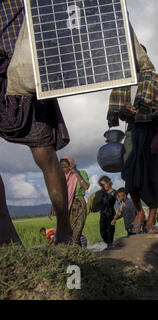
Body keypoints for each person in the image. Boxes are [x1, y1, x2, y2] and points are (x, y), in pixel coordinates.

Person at [0, 0, 72, 245]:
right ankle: (7, 237)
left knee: (44, 153)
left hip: (23, 68)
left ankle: (65, 231)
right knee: (45, 155)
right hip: (16, 66)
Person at [107, 48, 158, 234]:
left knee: (152, 175)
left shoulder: (155, 79)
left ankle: (151, 219)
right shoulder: (123, 83)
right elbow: (116, 110)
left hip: (152, 130)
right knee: (129, 172)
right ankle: (139, 211)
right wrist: (123, 111)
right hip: (133, 131)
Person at [48, 156, 89, 246]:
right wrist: (53, 207)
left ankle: (78, 248)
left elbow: (86, 187)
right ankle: (77, 250)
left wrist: (75, 173)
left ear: (72, 165)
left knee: (77, 230)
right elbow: (58, 193)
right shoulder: (62, 178)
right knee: (68, 231)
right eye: (61, 167)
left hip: (79, 205)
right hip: (66, 206)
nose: (64, 169)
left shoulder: (81, 173)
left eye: (66, 167)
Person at [98, 176, 117, 249]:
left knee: (110, 231)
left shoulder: (115, 193)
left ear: (109, 182)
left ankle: (110, 245)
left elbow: (121, 203)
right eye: (101, 185)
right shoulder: (102, 192)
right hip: (102, 214)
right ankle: (109, 243)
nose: (103, 186)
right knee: (102, 232)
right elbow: (97, 202)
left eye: (104, 184)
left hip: (111, 215)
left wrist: (116, 217)